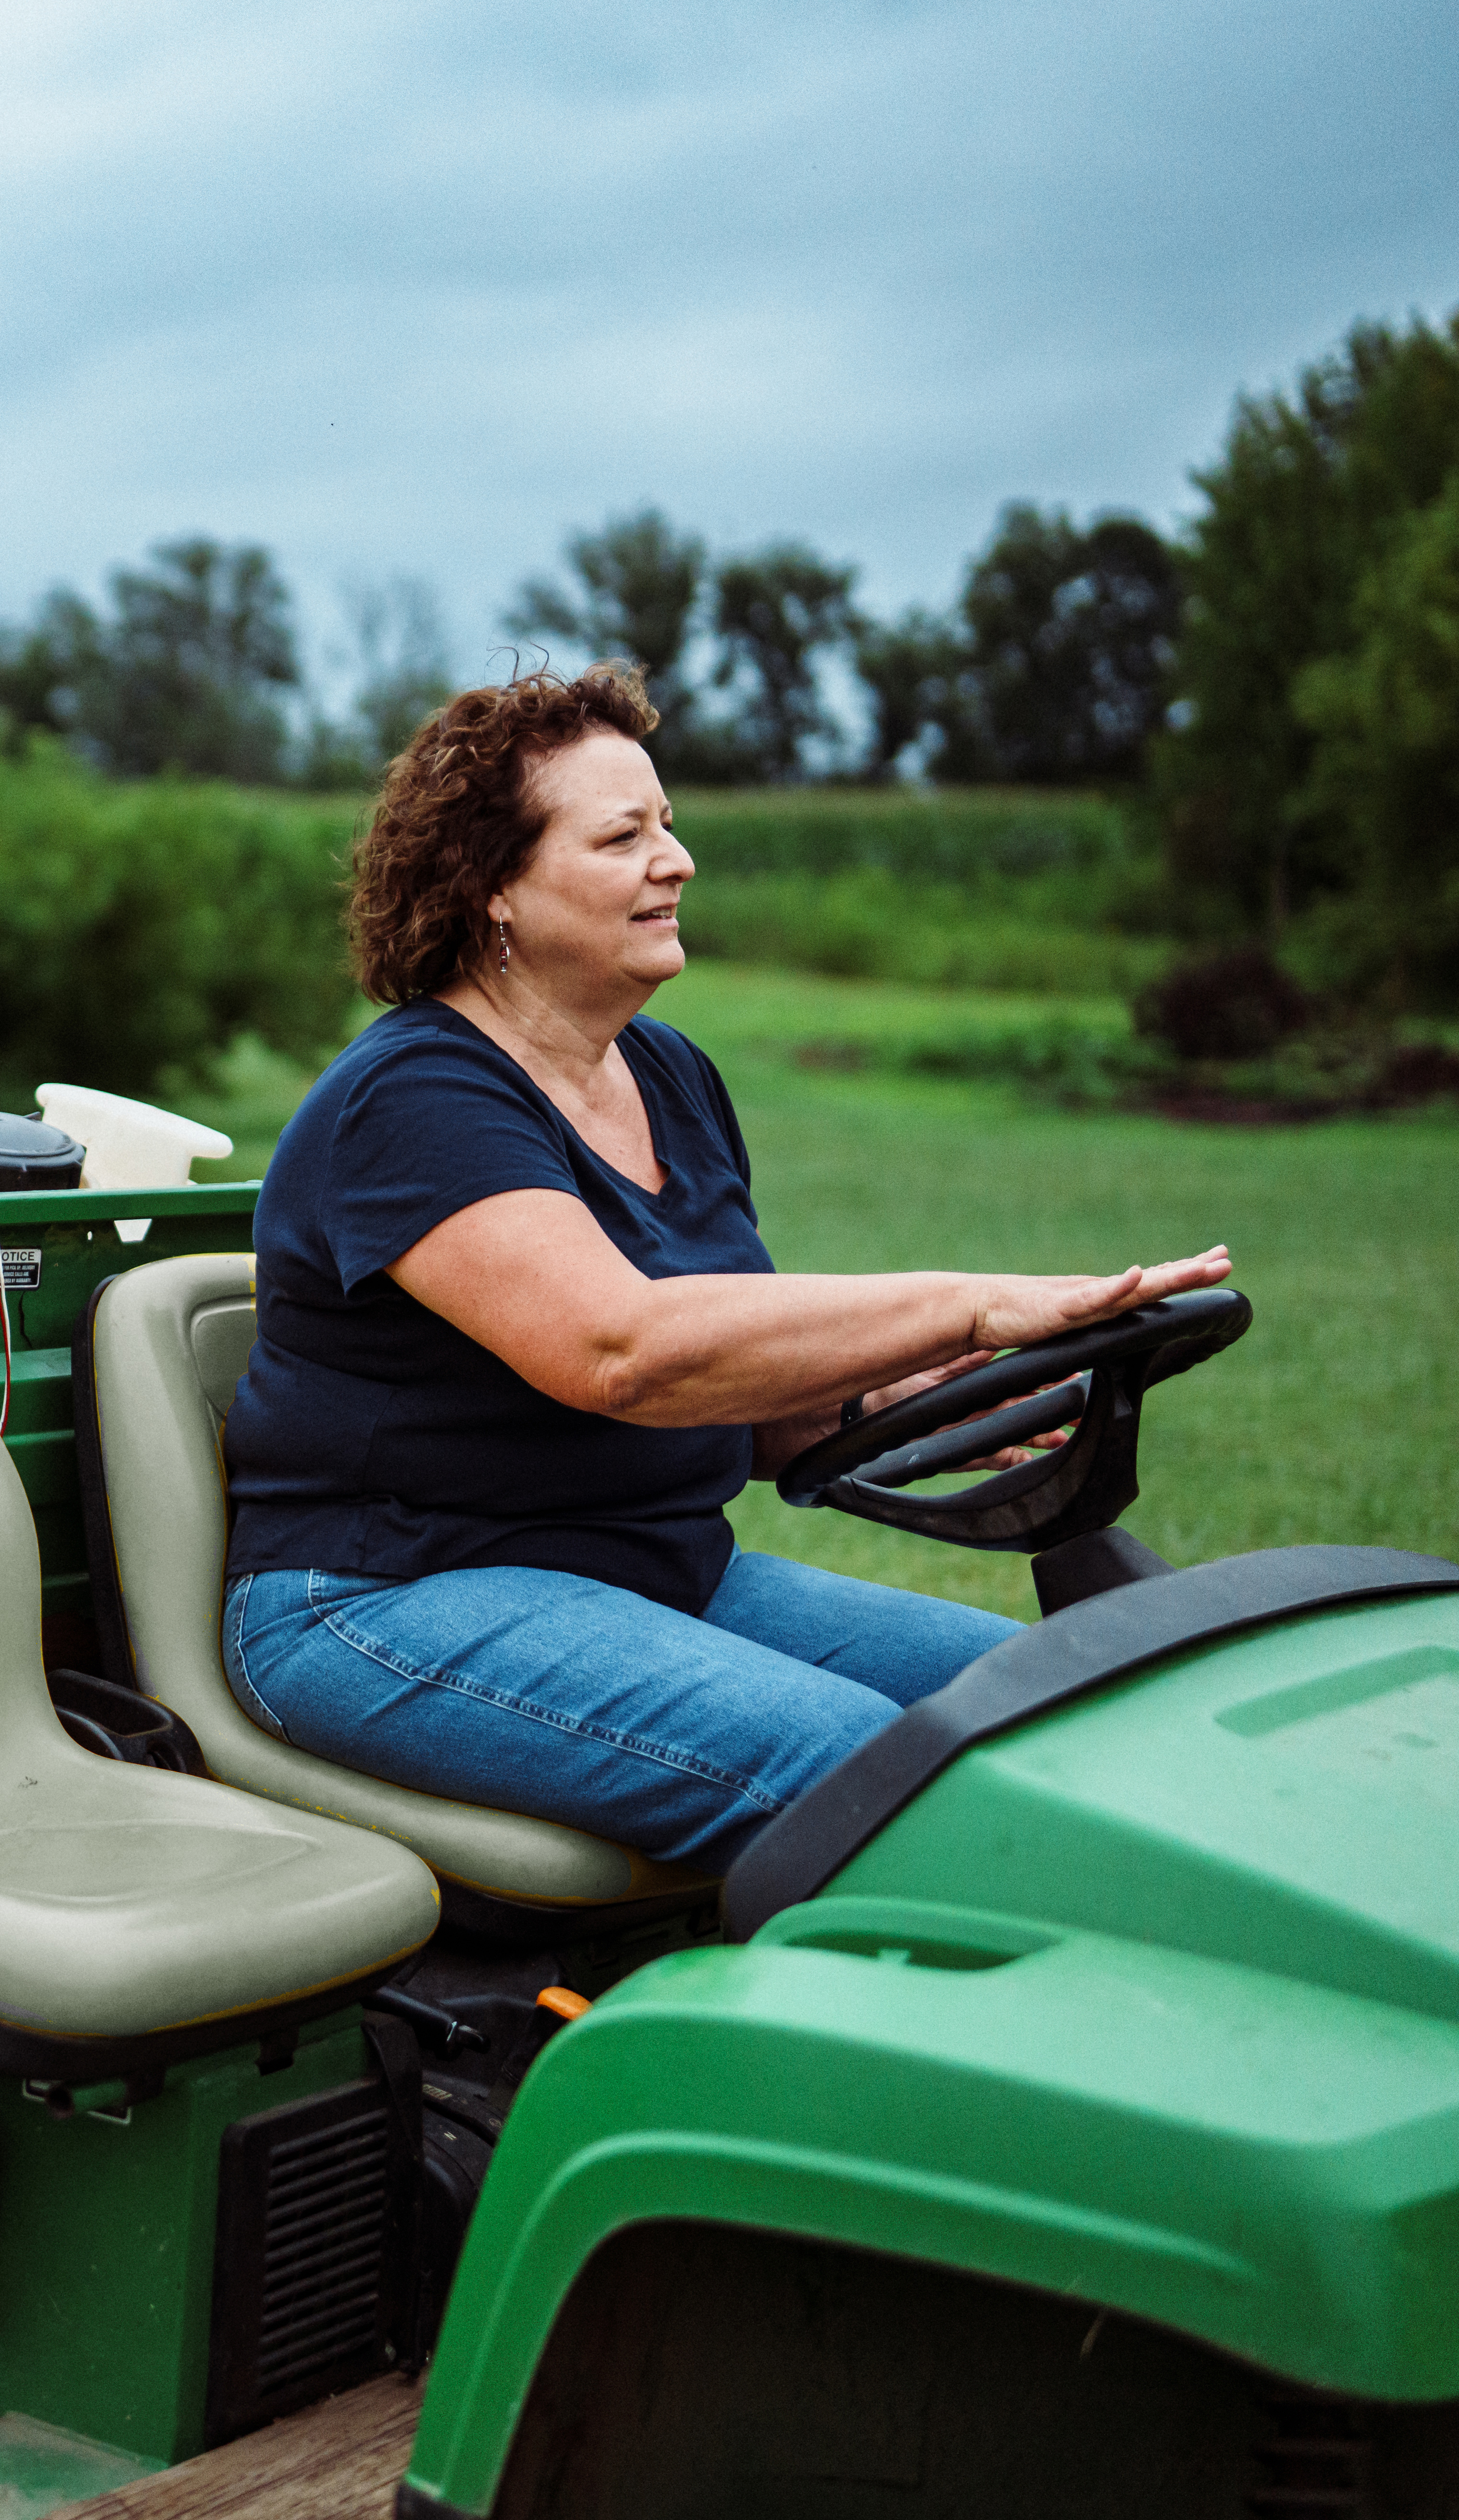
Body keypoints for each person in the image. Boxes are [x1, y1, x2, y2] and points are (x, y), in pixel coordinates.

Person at [216, 666, 1228, 1870]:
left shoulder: (671, 1078)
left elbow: (744, 1404)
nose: (676, 858)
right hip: (384, 1602)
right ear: (494, 888)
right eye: (623, 835)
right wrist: (963, 1304)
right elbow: (620, 1354)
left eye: (669, 823)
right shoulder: (413, 1097)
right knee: (872, 1775)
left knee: (1057, 1710)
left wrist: (920, 1391)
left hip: (653, 1577)